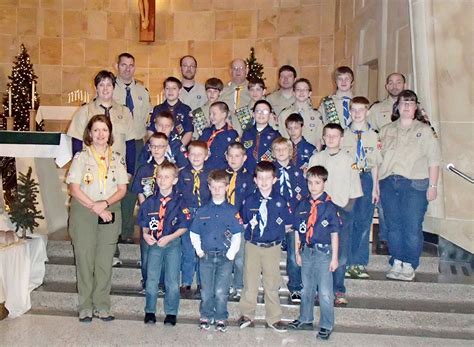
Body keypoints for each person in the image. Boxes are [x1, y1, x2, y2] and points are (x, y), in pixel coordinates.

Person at [66, 114, 128, 322]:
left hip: (111, 209)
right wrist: (97, 207)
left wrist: (105, 205)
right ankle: (85, 305)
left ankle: (102, 304)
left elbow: (122, 188)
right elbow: (74, 188)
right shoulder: (81, 157)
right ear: (89, 134)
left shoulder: (117, 157)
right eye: (96, 130)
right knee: (84, 260)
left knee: (104, 261)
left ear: (110, 133)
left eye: (104, 130)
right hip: (85, 211)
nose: (101, 134)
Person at [379, 90, 441, 281]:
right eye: (403, 102)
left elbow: (434, 160)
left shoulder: (424, 131)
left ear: (416, 107)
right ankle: (397, 260)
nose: (406, 106)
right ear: (397, 106)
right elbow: (377, 159)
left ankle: (409, 263)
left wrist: (433, 186)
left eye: (411, 103)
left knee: (412, 225)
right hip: (389, 182)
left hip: (415, 183)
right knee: (393, 225)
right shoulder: (386, 130)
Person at [308, 123, 362, 305]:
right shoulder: (315, 159)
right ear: (322, 138)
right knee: (320, 253)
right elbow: (310, 185)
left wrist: (346, 210)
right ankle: (319, 291)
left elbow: (355, 189)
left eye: (335, 136)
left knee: (341, 253)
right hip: (319, 210)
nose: (331, 139)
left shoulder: (349, 161)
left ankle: (338, 290)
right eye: (327, 136)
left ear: (342, 138)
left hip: (340, 210)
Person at [238, 161, 292, 333]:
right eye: (260, 177)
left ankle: (274, 318)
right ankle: (247, 314)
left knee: (271, 283)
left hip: (272, 247)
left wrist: (275, 235)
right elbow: (244, 222)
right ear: (255, 179)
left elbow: (288, 225)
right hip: (253, 245)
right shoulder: (249, 200)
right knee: (250, 281)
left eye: (268, 178)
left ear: (274, 179)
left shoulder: (281, 201)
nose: (264, 181)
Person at [289, 165, 340, 340]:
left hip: (324, 253)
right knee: (306, 288)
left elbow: (334, 233)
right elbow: (297, 230)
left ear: (324, 183)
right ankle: (305, 318)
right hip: (307, 251)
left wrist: (334, 257)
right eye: (310, 182)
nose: (313, 186)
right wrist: (297, 252)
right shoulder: (302, 204)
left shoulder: (330, 207)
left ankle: (326, 324)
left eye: (317, 183)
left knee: (325, 292)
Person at [190, 170, 244, 332]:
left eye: (221, 187)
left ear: (227, 187)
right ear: (209, 187)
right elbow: (194, 233)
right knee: (206, 290)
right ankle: (206, 315)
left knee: (221, 291)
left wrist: (231, 254)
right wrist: (199, 251)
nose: (217, 190)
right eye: (214, 187)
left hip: (224, 258)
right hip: (205, 256)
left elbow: (237, 234)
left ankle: (221, 316)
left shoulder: (232, 211)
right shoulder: (203, 211)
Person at [138, 162, 191, 326]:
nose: (162, 180)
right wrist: (145, 235)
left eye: (167, 177)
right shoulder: (149, 202)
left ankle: (171, 312)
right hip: (154, 245)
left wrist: (170, 237)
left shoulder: (180, 202)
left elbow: (184, 226)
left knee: (172, 280)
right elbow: (144, 222)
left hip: (172, 244)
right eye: (159, 177)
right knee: (152, 279)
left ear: (175, 180)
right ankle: (150, 311)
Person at [113, 52, 153, 245]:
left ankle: (126, 231)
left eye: (131, 65)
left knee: (131, 189)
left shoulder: (142, 92)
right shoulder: (109, 88)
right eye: (123, 65)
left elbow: (148, 120)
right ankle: (112, 230)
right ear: (116, 66)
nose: (127, 69)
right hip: (114, 144)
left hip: (136, 144)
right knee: (114, 186)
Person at [341, 97, 381, 279]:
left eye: (361, 110)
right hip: (348, 179)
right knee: (347, 221)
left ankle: (359, 262)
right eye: (354, 110)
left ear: (367, 111)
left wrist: (375, 188)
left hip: (365, 178)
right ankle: (346, 261)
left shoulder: (374, 135)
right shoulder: (343, 135)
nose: (357, 113)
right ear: (350, 111)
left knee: (363, 223)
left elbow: (375, 164)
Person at [131, 132, 169, 292]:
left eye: (160, 146)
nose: (156, 149)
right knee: (146, 252)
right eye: (153, 146)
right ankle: (147, 282)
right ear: (149, 147)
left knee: (163, 251)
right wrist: (145, 209)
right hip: (148, 215)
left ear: (166, 148)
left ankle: (161, 283)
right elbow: (139, 191)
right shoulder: (144, 169)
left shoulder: (172, 169)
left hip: (166, 215)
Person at [271, 137, 308, 303]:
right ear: (272, 153)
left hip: (293, 222)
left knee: (294, 256)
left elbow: (303, 199)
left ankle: (296, 287)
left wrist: (295, 222)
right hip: (273, 222)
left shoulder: (298, 173)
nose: (280, 152)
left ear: (291, 151)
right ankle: (272, 286)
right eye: (277, 150)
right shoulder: (269, 173)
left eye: (284, 149)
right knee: (271, 256)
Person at [177, 141, 211, 296]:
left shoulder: (211, 175)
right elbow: (178, 197)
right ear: (187, 155)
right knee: (188, 250)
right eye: (193, 154)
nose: (196, 157)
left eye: (200, 154)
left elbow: (214, 196)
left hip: (205, 215)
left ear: (206, 155)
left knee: (202, 251)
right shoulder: (182, 174)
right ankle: (186, 282)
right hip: (187, 215)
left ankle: (202, 283)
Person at [225, 142, 255, 299]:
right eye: (230, 155)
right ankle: (224, 285)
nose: (233, 159)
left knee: (239, 258)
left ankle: (238, 285)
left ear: (244, 158)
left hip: (240, 224)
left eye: (237, 156)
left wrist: (245, 221)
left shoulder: (249, 178)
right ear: (226, 157)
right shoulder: (220, 176)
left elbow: (251, 202)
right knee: (224, 257)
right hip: (222, 224)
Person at [278, 78, 323, 149]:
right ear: (293, 93)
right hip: (290, 154)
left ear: (310, 93)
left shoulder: (316, 115)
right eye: (298, 89)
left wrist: (316, 158)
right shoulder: (284, 114)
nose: (301, 92)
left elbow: (319, 140)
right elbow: (282, 138)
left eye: (305, 89)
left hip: (310, 155)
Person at [147, 77, 193, 146]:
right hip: (159, 149)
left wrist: (179, 148)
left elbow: (189, 132)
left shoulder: (186, 109)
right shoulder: (157, 109)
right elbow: (151, 130)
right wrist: (157, 145)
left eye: (174, 88)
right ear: (164, 90)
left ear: (179, 91)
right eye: (167, 88)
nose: (170, 91)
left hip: (179, 149)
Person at [241, 100, 281, 174]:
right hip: (247, 174)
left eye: (265, 111)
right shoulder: (246, 134)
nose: (261, 114)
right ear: (253, 114)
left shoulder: (276, 136)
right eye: (258, 111)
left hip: (266, 175)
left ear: (270, 115)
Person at [199, 101, 239, 170]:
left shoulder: (232, 134)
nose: (211, 116)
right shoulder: (206, 132)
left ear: (223, 115)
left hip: (224, 171)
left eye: (214, 114)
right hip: (206, 169)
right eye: (210, 114)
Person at [219, 59, 251, 135]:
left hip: (248, 132)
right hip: (226, 132)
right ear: (230, 71)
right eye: (235, 68)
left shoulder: (254, 91)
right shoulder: (223, 91)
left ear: (246, 70)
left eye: (241, 68)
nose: (238, 71)